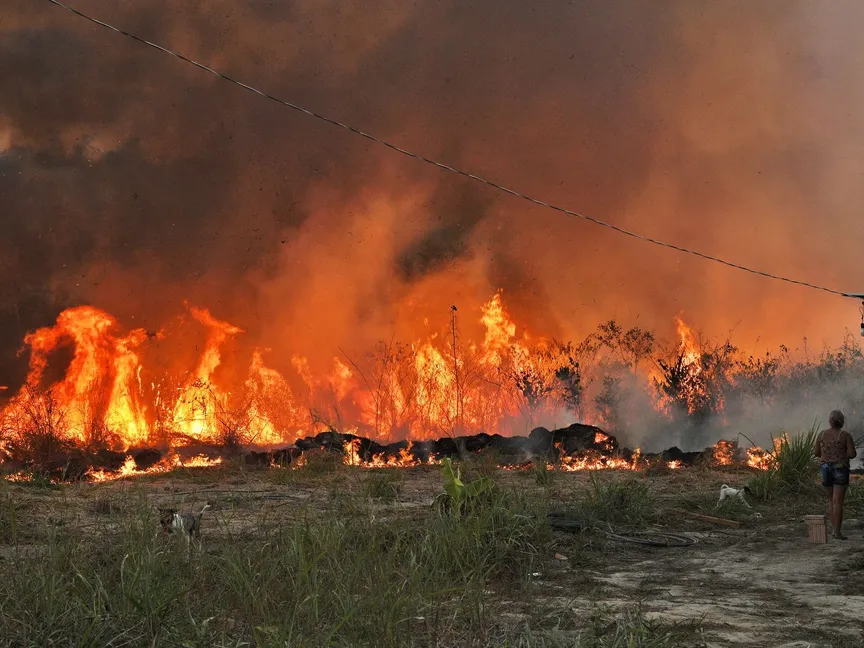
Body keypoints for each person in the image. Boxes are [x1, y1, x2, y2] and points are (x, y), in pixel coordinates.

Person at [814, 410, 857, 540]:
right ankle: (837, 532)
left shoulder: (821, 435)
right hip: (840, 469)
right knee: (837, 502)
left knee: (830, 500)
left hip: (825, 469)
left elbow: (816, 453)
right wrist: (842, 452)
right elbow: (852, 454)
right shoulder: (846, 436)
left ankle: (834, 530)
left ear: (830, 421)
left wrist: (828, 452)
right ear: (842, 422)